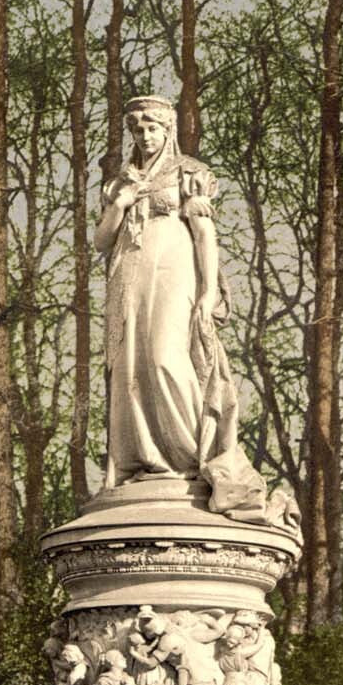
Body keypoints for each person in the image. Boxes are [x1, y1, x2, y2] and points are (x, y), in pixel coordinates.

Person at [93, 95, 242, 494]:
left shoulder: (189, 173)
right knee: (130, 367)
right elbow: (101, 241)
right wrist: (119, 205)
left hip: (175, 270)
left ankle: (190, 458)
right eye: (137, 130)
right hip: (129, 272)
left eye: (152, 128)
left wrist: (209, 291)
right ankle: (144, 460)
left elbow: (204, 234)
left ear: (168, 129)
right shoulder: (120, 183)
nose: (145, 136)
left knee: (164, 357)